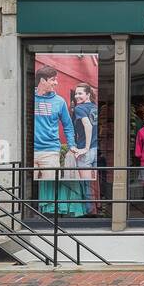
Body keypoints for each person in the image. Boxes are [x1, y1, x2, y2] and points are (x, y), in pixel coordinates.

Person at [31, 66, 72, 215]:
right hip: (30, 151)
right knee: (29, 188)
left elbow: (68, 125)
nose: (56, 83)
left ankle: (51, 220)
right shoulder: (29, 98)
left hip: (50, 151)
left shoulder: (59, 101)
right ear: (42, 80)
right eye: (53, 79)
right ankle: (31, 216)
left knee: (52, 188)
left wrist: (71, 145)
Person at [63, 83, 98, 216]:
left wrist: (85, 148)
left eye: (80, 93)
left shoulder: (79, 109)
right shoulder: (95, 108)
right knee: (92, 184)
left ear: (88, 94)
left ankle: (89, 214)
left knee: (86, 184)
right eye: (76, 93)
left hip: (87, 151)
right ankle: (95, 209)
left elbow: (88, 126)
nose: (77, 96)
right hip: (95, 150)